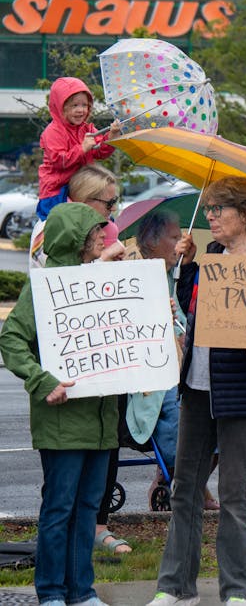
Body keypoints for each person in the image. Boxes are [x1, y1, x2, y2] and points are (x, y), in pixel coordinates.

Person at [148, 177, 246, 606]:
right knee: (185, 488)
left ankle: (237, 591)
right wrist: (188, 270)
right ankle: (175, 586)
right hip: (198, 386)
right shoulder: (211, 254)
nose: (210, 216)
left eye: (219, 209)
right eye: (209, 209)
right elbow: (198, 312)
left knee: (234, 493)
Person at [0, 203, 123, 606]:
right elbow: (11, 339)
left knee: (87, 509)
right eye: (95, 233)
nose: (102, 238)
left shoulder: (103, 281)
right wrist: (42, 381)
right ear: (77, 239)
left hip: (101, 419)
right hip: (62, 419)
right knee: (60, 508)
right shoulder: (45, 286)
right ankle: (52, 592)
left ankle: (81, 592)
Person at [131, 211, 189, 509]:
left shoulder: (168, 274)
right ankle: (186, 479)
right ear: (153, 242)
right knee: (176, 407)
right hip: (146, 375)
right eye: (174, 237)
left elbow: (180, 320)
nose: (180, 242)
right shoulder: (136, 270)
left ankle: (188, 479)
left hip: (173, 366)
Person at [36, 77, 114, 220]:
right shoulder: (53, 132)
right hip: (57, 191)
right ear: (60, 107)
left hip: (81, 188)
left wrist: (111, 136)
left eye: (85, 105)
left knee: (104, 221)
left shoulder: (87, 129)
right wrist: (82, 148)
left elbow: (100, 152)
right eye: (74, 106)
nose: (81, 110)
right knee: (66, 225)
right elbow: (58, 161)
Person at [31, 165, 121, 270]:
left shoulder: (95, 225)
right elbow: (59, 278)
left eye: (114, 201)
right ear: (85, 200)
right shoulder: (51, 228)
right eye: (110, 203)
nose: (114, 208)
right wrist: (105, 257)